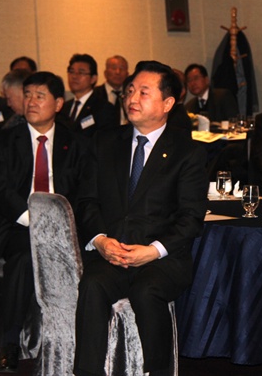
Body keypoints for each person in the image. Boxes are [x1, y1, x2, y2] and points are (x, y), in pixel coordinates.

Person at [73, 61, 208, 376]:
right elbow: (87, 201)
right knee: (92, 285)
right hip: (112, 252)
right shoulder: (105, 143)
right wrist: (101, 241)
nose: (132, 98)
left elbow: (191, 218)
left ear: (167, 104)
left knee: (147, 291)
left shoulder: (187, 152)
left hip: (162, 258)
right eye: (130, 91)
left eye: (144, 92)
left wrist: (152, 250)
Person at [0, 71, 92, 373]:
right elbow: (1, 189)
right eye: (28, 94)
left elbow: (82, 191)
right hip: (18, 224)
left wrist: (61, 225)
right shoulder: (3, 140)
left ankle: (72, 343)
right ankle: (9, 342)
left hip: (65, 227)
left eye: (40, 95)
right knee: (25, 257)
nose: (31, 101)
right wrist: (32, 222)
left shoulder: (75, 143)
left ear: (58, 104)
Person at [59, 53, 116, 137]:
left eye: (81, 73)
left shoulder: (104, 108)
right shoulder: (63, 107)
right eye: (71, 72)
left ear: (93, 78)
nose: (74, 76)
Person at [92, 55, 130, 125]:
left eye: (122, 68)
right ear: (105, 73)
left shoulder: (131, 95)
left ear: (127, 74)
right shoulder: (94, 94)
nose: (118, 72)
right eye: (114, 68)